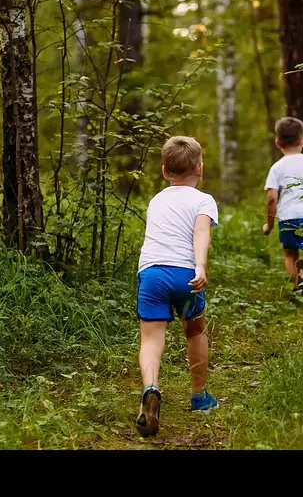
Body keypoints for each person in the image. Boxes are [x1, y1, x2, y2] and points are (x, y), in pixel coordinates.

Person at [134, 136, 219, 438]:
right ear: (200, 169)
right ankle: (199, 396)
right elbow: (200, 232)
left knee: (151, 340)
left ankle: (151, 388)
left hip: (152, 273)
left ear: (164, 171)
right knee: (195, 330)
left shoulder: (156, 200)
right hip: (186, 275)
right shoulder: (203, 200)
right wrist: (200, 266)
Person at [262, 117, 303, 295]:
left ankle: (298, 286)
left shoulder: (276, 167)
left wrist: (270, 224)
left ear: (277, 142)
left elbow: (271, 198)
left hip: (287, 217)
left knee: (290, 255)